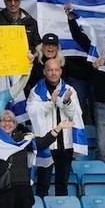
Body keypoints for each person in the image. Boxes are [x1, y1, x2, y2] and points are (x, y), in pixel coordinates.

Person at [26, 58, 83, 198]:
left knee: (62, 185)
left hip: (65, 145)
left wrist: (67, 102)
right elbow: (32, 112)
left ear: (61, 71)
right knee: (43, 185)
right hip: (46, 145)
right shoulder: (36, 91)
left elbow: (75, 115)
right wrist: (51, 102)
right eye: (50, 70)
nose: (53, 73)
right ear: (44, 72)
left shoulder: (70, 90)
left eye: (56, 70)